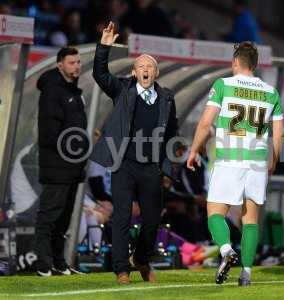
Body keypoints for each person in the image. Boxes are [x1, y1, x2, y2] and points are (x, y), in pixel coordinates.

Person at [187, 41, 284, 286]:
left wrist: (194, 150)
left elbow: (205, 123)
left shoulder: (223, 85)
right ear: (255, 64)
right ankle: (247, 274)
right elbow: (279, 133)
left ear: (236, 62)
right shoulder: (271, 92)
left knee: (214, 215)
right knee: (250, 219)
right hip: (257, 162)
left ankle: (227, 250)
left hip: (230, 159)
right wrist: (273, 160)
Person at [91, 22, 178, 285]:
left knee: (152, 220)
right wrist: (104, 46)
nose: (145, 70)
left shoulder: (167, 99)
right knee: (122, 217)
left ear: (156, 72)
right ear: (133, 72)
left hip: (151, 167)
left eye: (149, 67)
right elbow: (100, 75)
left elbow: (171, 137)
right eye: (140, 67)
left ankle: (141, 258)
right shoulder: (122, 90)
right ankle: (121, 269)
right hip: (124, 163)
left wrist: (167, 169)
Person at [35, 47, 88, 277]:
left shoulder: (73, 92)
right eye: (71, 62)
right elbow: (49, 133)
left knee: (64, 217)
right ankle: (43, 264)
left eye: (78, 62)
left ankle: (58, 262)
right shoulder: (52, 92)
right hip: (57, 164)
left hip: (72, 164)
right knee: (49, 214)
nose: (76, 66)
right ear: (60, 65)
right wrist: (75, 146)